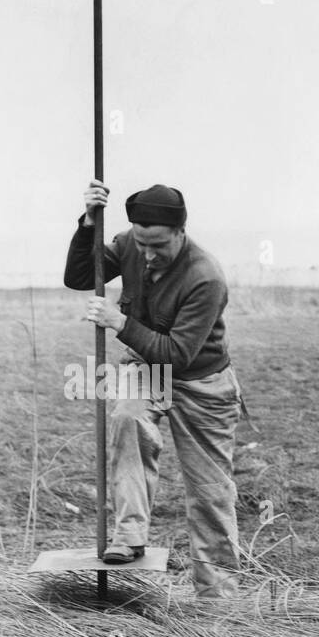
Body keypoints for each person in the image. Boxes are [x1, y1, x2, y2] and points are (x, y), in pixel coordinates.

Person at [63, 179, 243, 601]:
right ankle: (129, 534)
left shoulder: (205, 276)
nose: (146, 254)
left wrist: (119, 322)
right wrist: (89, 223)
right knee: (127, 415)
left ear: (181, 232)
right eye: (141, 243)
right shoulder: (130, 244)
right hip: (147, 368)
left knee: (210, 495)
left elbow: (177, 354)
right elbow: (79, 276)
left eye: (158, 245)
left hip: (203, 384)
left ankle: (219, 605)